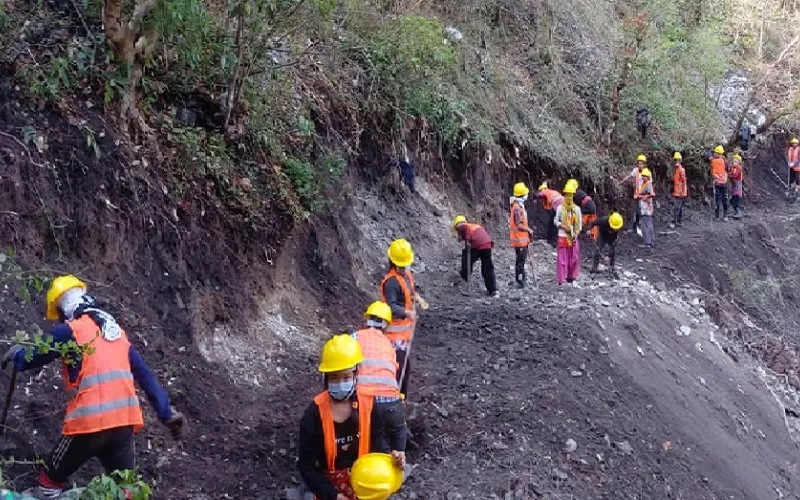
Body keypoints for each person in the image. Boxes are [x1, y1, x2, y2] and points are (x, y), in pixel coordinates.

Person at [1, 276, 185, 500]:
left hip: (88, 425)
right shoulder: (116, 334)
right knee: (125, 489)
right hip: (123, 425)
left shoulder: (71, 330)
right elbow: (145, 375)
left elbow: (35, 355)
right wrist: (166, 413)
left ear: (63, 309)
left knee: (49, 483)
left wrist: (17, 354)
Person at [297, 334, 402, 500]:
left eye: (346, 377)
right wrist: (333, 495)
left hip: (363, 479)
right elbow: (307, 467)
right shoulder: (313, 414)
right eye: (334, 378)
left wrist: (390, 457)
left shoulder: (368, 404)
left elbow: (377, 442)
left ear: (355, 374)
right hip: (329, 487)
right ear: (325, 379)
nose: (340, 383)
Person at [353, 302, 408, 455]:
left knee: (370, 433)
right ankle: (399, 460)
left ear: (367, 320)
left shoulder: (355, 337)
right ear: (386, 326)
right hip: (390, 401)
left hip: (362, 402)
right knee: (399, 430)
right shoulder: (390, 346)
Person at [379, 239, 417, 399]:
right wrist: (407, 313)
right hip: (394, 337)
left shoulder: (405, 276)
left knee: (404, 368)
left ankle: (400, 398)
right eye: (401, 265)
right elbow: (391, 306)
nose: (404, 268)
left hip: (404, 334)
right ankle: (394, 399)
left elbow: (407, 292)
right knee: (399, 369)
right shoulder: (391, 283)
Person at [452, 215, 498, 297]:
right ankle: (493, 290)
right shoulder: (473, 226)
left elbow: (465, 236)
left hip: (478, 244)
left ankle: (464, 278)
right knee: (487, 267)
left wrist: (466, 241)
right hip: (487, 243)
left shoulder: (462, 227)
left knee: (466, 258)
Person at [554, 179, 582, 286]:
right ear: (564, 195)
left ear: (573, 196)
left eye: (571, 195)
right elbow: (555, 221)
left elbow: (579, 225)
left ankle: (572, 277)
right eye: (567, 195)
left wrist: (576, 234)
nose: (569, 197)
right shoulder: (560, 208)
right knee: (562, 259)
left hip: (573, 237)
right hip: (562, 236)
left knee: (574, 258)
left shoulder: (577, 209)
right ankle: (561, 279)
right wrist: (562, 226)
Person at [509, 183, 534, 289]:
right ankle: (520, 280)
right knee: (520, 261)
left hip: (521, 239)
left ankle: (521, 278)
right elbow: (519, 225)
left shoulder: (518, 205)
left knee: (520, 261)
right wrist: (529, 230)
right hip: (519, 240)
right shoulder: (517, 208)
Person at [586, 212, 624, 278]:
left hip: (612, 237)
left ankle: (612, 268)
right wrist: (590, 230)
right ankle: (594, 268)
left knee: (613, 252)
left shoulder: (618, 225)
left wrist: (608, 256)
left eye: (616, 228)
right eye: (614, 227)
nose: (615, 229)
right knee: (597, 250)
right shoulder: (603, 220)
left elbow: (613, 245)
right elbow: (593, 223)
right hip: (602, 235)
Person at [620, 154, 646, 233]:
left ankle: (638, 227)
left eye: (641, 163)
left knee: (640, 212)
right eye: (639, 163)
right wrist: (622, 181)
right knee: (636, 211)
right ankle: (635, 226)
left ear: (644, 164)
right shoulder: (636, 170)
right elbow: (630, 176)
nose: (640, 165)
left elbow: (649, 184)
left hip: (644, 196)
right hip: (637, 195)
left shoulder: (647, 173)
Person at [710, 145, 729, 221]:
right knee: (725, 199)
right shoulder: (725, 161)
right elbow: (728, 169)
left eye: (715, 152)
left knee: (717, 200)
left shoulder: (713, 161)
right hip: (724, 182)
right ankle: (725, 215)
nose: (714, 153)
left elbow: (709, 158)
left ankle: (717, 216)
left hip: (717, 183)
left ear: (717, 153)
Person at [638, 168, 655, 248]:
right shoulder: (646, 183)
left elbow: (652, 194)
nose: (643, 177)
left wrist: (646, 197)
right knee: (648, 224)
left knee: (646, 225)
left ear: (648, 177)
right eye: (642, 176)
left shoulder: (648, 184)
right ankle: (651, 241)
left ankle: (647, 242)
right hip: (645, 206)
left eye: (644, 176)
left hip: (646, 207)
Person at [670, 152, 688, 228]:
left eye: (678, 160)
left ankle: (674, 222)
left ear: (680, 161)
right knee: (679, 207)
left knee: (677, 207)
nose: (676, 161)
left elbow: (684, 181)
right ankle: (679, 221)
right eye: (675, 160)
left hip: (680, 192)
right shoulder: (676, 170)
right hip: (678, 192)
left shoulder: (681, 170)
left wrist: (682, 191)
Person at [730, 153, 744, 220]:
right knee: (733, 199)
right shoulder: (733, 168)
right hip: (734, 187)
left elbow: (735, 176)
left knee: (736, 200)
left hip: (737, 187)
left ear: (739, 162)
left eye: (736, 161)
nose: (734, 162)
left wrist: (728, 176)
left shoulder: (739, 169)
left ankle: (738, 212)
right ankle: (735, 212)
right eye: (733, 161)